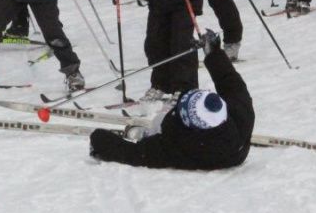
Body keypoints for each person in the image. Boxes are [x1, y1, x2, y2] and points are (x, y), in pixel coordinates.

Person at [88, 31, 255, 170]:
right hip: (229, 146)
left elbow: (134, 153)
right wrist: (214, 52)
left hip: (171, 134)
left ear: (193, 127)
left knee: (160, 123)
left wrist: (99, 140)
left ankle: (147, 133)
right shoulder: (240, 112)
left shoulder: (180, 147)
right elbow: (229, 80)